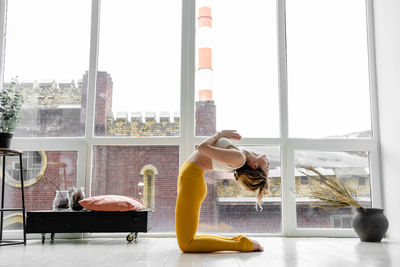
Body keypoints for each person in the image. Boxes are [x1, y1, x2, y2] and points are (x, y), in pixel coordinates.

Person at [175, 130, 270, 253]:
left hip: (191, 179)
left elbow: (201, 148)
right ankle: (239, 241)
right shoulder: (240, 156)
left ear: (255, 166)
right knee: (189, 240)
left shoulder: (239, 158)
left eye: (266, 167)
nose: (268, 163)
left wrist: (220, 135)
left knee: (186, 244)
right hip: (190, 178)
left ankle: (242, 244)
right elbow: (201, 152)